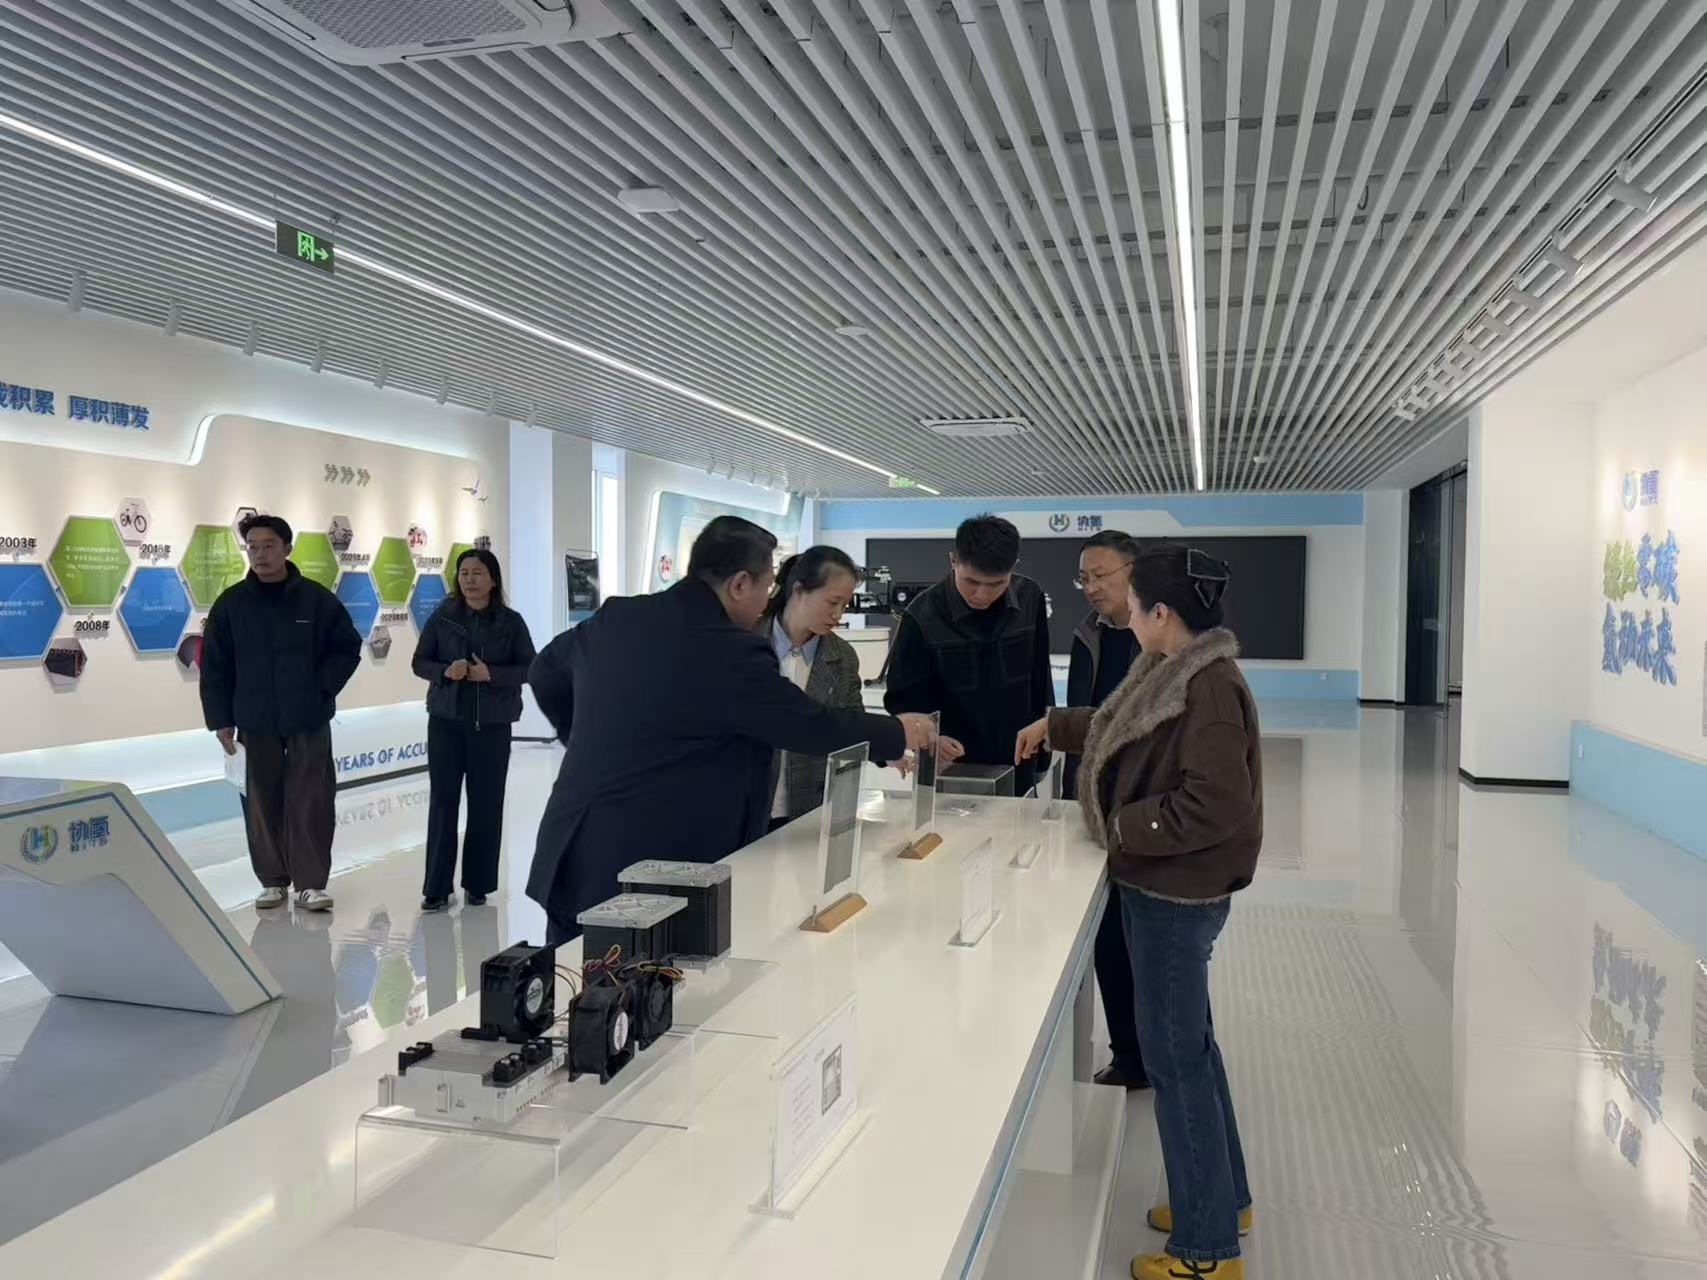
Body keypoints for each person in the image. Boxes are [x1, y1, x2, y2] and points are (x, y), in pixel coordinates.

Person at [1017, 546, 1261, 1280]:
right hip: (1163, 887)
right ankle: (1225, 1202)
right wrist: (1057, 725)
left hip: (1175, 896)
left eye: (1130, 604)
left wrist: (1123, 827)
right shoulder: (1175, 667)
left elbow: (1216, 803)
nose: (1119, 612)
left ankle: (1207, 1251)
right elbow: (1126, 727)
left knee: (1175, 1063)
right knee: (1194, 1050)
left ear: (1160, 612)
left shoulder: (1208, 687)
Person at [527, 515, 938, 945]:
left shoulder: (618, 616)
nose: (767, 600)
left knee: (570, 975)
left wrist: (581, 737)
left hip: (572, 850)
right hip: (648, 866)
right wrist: (898, 732)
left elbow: (544, 672)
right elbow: (808, 724)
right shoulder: (729, 650)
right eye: (766, 587)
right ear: (740, 584)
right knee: (638, 979)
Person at [201, 514, 362, 914]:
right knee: (260, 803)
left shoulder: (316, 600)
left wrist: (321, 688)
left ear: (287, 549)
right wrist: (221, 719)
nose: (260, 554)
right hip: (254, 721)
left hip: (308, 719)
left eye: (269, 546)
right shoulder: (231, 605)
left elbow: (347, 647)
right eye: (253, 547)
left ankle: (311, 884)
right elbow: (216, 667)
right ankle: (272, 880)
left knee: (312, 800)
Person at [883, 513, 1052, 794]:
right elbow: (903, 701)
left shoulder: (1030, 597)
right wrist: (931, 739)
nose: (982, 594)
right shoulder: (921, 616)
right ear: (953, 561)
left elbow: (1040, 680)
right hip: (951, 769)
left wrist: (1043, 755)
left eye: (996, 584)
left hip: (1018, 759)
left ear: (1013, 567)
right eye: (971, 582)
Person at [1065, 530, 1149, 1094]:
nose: (1092, 587)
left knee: (1146, 941)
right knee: (1108, 938)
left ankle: (1157, 1051)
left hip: (1143, 811)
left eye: (1101, 575)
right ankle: (1129, 1054)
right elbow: (1084, 719)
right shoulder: (1087, 635)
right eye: (1084, 578)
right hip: (1097, 806)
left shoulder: (1161, 640)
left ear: (1132, 572)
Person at [412, 548, 537, 913]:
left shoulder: (510, 622)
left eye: (477, 572)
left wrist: (491, 674)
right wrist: (444, 671)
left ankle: (478, 884)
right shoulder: (443, 617)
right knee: (443, 803)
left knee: (486, 804)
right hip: (446, 723)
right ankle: (437, 888)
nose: (469, 579)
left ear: (493, 580)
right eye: (464, 573)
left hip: (492, 726)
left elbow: (531, 668)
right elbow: (419, 662)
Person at [762, 546, 866, 831]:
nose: (838, 614)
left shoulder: (842, 657)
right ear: (799, 591)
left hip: (812, 812)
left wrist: (892, 750)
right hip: (746, 811)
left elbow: (853, 727)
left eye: (845, 605)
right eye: (832, 602)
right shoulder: (746, 643)